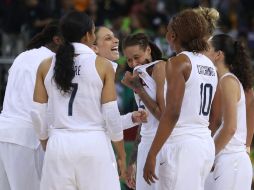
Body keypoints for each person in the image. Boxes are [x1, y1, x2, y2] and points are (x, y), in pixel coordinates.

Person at [32, 11, 124, 190]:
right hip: (93, 143)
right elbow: (111, 113)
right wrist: (121, 154)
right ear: (89, 35)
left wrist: (46, 143)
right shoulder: (102, 65)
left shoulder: (45, 65)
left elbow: (37, 113)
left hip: (59, 144)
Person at [143, 9, 218, 190]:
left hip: (183, 144)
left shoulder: (178, 62)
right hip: (204, 142)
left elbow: (173, 112)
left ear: (173, 35)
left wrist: (152, 154)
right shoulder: (209, 64)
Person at [0, 20, 62, 190]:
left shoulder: (23, 55)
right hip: (28, 137)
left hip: (4, 133)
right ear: (57, 40)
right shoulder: (52, 61)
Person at [92, 26, 148, 181]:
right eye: (108, 38)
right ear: (94, 48)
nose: (116, 40)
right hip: (94, 148)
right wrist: (123, 156)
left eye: (114, 36)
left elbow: (102, 121)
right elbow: (110, 118)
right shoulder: (103, 69)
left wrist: (131, 118)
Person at [204, 34, 253, 190]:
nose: (203, 52)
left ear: (218, 55)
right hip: (231, 161)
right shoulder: (226, 80)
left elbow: (230, 127)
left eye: (207, 49)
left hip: (232, 161)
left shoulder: (227, 81)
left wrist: (209, 154)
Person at [121, 32, 167, 190]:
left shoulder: (160, 67)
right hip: (145, 144)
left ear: (148, 50)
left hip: (163, 144)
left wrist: (138, 89)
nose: (133, 63)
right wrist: (132, 161)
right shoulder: (137, 74)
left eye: (136, 57)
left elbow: (163, 116)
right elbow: (143, 122)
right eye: (129, 59)